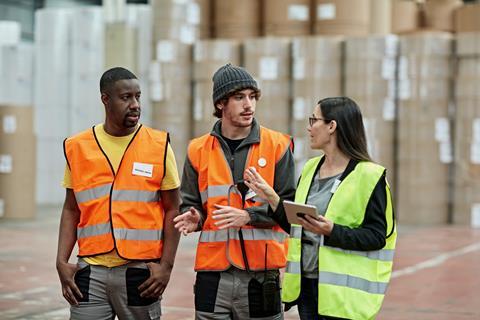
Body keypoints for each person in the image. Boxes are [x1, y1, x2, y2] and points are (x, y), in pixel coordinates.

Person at [244, 97, 397, 320]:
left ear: (332, 126)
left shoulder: (370, 176)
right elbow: (296, 226)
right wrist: (272, 196)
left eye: (314, 120)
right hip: (307, 288)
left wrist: (332, 231)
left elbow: (376, 236)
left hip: (343, 296)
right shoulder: (310, 168)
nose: (309, 127)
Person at [56, 67, 181, 320]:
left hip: (140, 273)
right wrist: (61, 260)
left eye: (138, 96)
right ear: (105, 99)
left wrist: (166, 267)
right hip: (90, 272)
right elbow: (71, 208)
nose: (135, 104)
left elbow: (173, 209)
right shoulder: (78, 147)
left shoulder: (158, 146)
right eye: (126, 97)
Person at [173, 63, 296, 319]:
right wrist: (194, 217)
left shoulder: (278, 146)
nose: (248, 105)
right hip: (212, 274)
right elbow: (191, 203)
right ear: (221, 103)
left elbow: (290, 209)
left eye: (252, 97)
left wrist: (249, 217)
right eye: (239, 97)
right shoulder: (197, 150)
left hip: (261, 275)